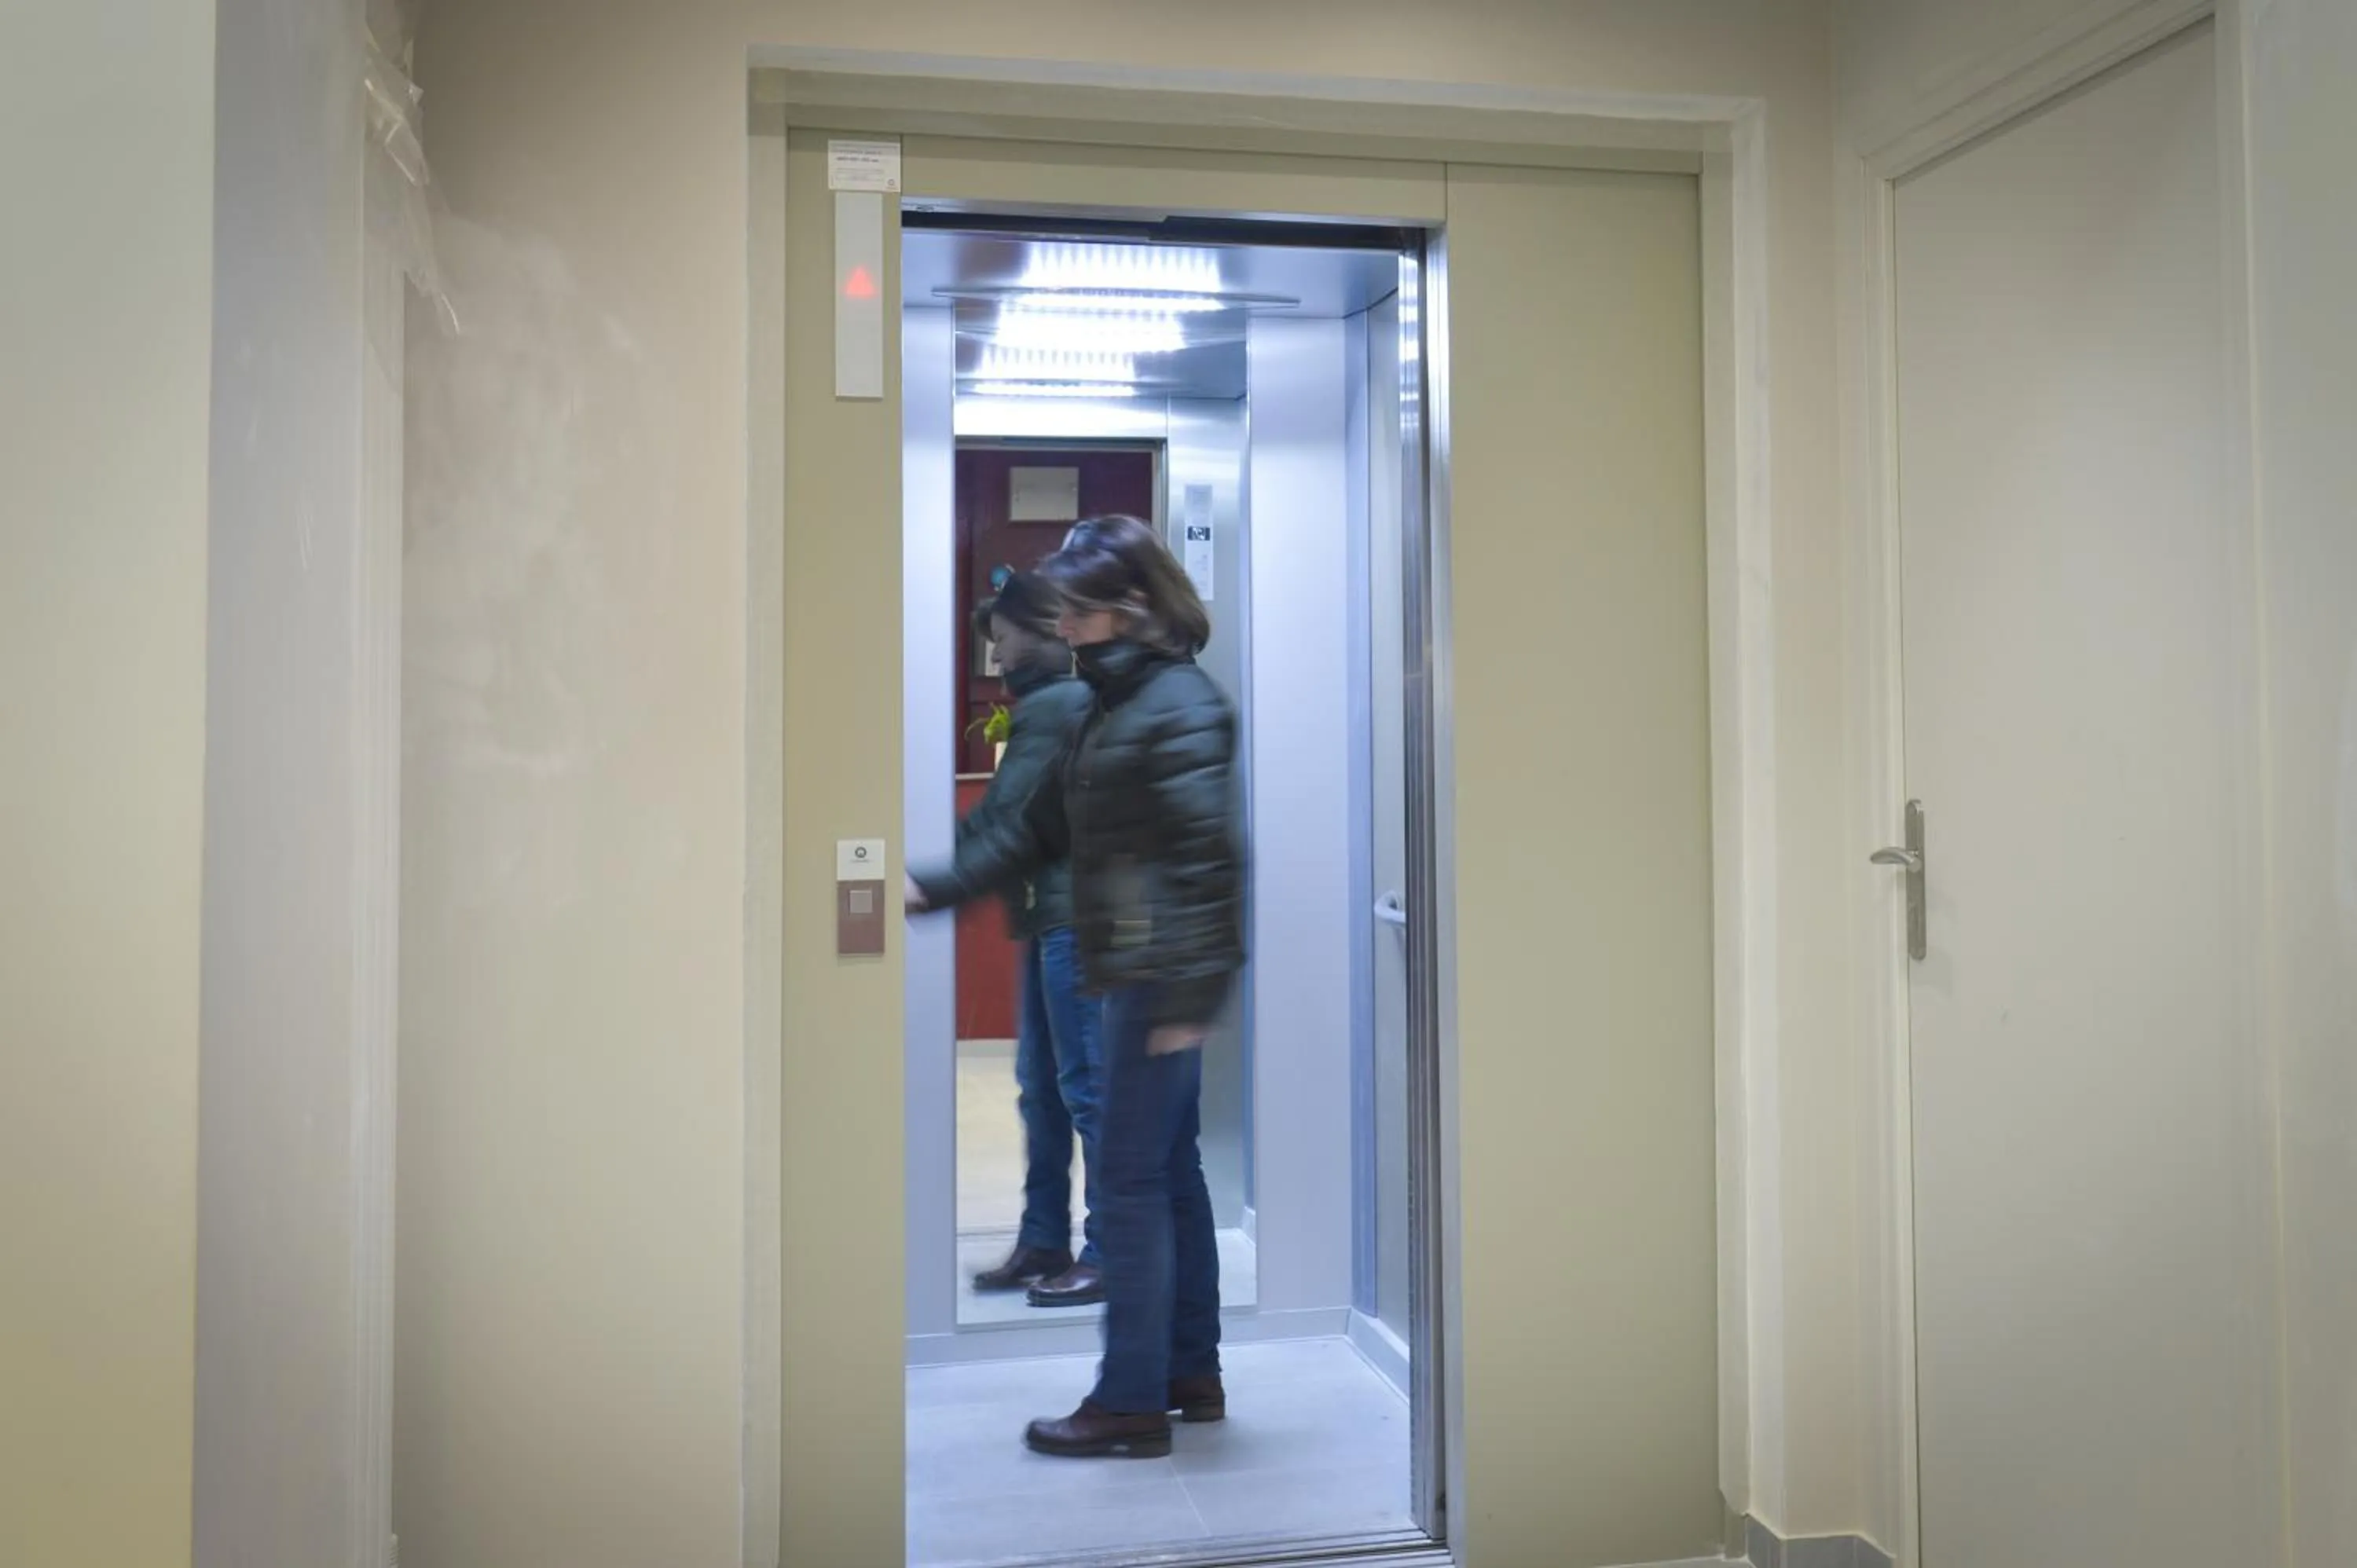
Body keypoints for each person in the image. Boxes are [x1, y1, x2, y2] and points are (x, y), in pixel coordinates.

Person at [911, 515, 1244, 1460]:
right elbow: (1033, 832)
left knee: (1135, 1188)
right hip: (1138, 973)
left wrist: (1189, 999)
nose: (1061, 625)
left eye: (1078, 609)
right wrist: (932, 885)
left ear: (1131, 606)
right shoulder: (1112, 701)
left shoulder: (1177, 704)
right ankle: (1189, 1372)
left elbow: (1209, 861)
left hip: (1151, 980)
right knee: (1169, 1177)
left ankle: (1130, 1399)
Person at [915, 570, 1106, 1308]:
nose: (997, 657)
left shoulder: (1058, 706)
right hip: (1049, 920)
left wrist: (931, 885)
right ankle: (1044, 1240)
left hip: (1073, 924)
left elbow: (1007, 822)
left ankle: (1103, 1250)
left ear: (1041, 629)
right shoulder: (1052, 705)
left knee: (1083, 1093)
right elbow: (1001, 816)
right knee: (1045, 1093)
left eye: (1002, 639)